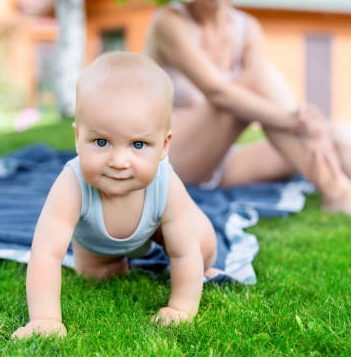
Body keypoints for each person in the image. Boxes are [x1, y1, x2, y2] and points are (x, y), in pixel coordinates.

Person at [145, 0, 351, 223]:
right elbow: (220, 93)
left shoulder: (246, 28)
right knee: (258, 78)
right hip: (173, 159)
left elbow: (265, 107)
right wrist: (298, 120)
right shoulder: (169, 22)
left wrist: (312, 127)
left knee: (333, 133)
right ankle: (337, 191)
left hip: (222, 162)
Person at [12, 52, 218, 339]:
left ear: (164, 145)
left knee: (200, 243)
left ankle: (200, 265)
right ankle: (114, 261)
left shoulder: (165, 183)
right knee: (96, 277)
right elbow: (46, 253)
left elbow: (184, 252)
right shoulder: (71, 185)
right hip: (97, 243)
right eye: (101, 142)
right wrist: (45, 318)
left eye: (138, 144)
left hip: (157, 224)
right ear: (77, 138)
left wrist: (181, 308)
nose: (119, 161)